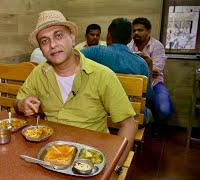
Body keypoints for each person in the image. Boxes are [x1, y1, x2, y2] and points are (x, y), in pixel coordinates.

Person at [13, 10, 136, 178]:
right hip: (51, 155)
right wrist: (21, 104)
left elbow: (128, 124)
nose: (53, 45)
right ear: (41, 49)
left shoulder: (102, 75)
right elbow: (18, 101)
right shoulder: (39, 73)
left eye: (58, 36)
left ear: (72, 38)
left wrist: (115, 169)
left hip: (90, 159)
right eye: (44, 41)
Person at [127, 17, 173, 124]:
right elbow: (125, 68)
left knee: (164, 110)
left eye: (140, 30)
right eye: (134, 31)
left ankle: (154, 122)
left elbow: (156, 69)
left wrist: (136, 68)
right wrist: (147, 67)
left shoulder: (157, 46)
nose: (136, 33)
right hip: (134, 84)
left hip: (154, 83)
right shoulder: (128, 46)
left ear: (149, 31)